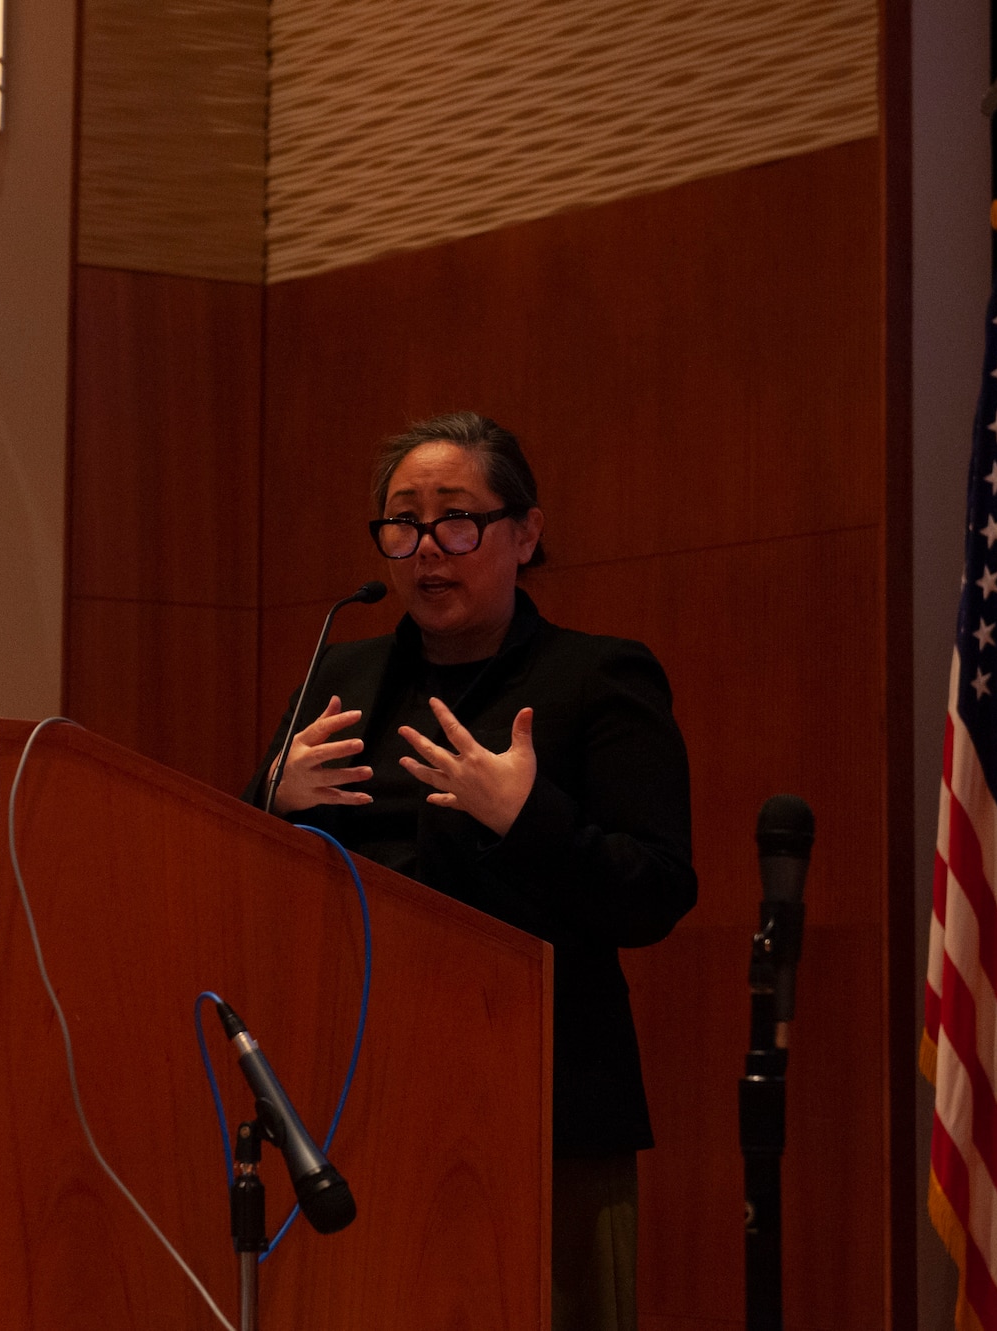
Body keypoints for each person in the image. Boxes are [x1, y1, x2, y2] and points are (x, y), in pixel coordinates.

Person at [245, 411, 695, 1331]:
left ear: (525, 533)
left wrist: (530, 819)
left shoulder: (598, 678)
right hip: (358, 1094)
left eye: (457, 519)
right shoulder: (343, 674)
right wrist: (267, 803)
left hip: (547, 1108)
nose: (426, 550)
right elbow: (252, 880)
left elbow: (655, 890)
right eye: (402, 522)